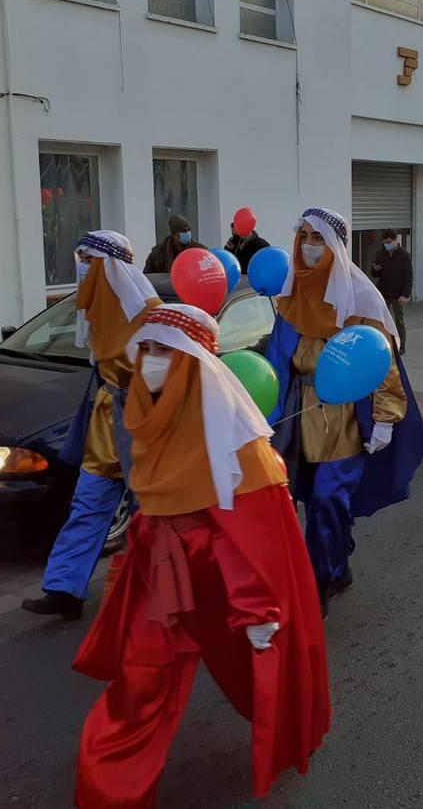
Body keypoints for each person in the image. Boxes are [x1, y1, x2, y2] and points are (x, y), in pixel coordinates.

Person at [72, 304, 330, 807]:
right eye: (145, 347)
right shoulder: (149, 421)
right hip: (163, 587)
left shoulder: (241, 449)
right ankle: (108, 792)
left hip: (222, 591)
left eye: (163, 350)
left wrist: (258, 607)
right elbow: (150, 517)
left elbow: (252, 538)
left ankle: (283, 727)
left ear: (191, 360)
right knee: (138, 682)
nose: (149, 359)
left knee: (259, 673)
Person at [265, 208, 423, 614]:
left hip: (342, 416)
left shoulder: (360, 297)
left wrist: (386, 419)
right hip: (296, 413)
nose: (307, 246)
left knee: (326, 498)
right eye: (302, 236)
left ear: (335, 245)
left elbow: (380, 359)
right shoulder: (291, 294)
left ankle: (317, 579)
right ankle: (337, 563)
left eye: (317, 239)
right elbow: (275, 361)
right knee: (299, 497)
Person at [23, 231, 162, 619]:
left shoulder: (147, 311)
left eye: (89, 259)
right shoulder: (95, 306)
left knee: (148, 510)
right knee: (88, 502)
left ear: (110, 264)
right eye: (80, 258)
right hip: (105, 416)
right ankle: (64, 589)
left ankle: (153, 590)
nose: (83, 267)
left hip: (141, 419)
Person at [370, 229, 413, 354]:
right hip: (383, 291)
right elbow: (375, 273)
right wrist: (375, 269)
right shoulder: (381, 253)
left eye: (389, 242)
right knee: (381, 320)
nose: (387, 245)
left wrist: (405, 294)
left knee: (399, 320)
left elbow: (408, 276)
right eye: (385, 242)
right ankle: (383, 343)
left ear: (395, 240)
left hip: (398, 293)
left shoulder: (404, 255)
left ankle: (401, 345)